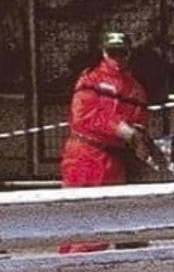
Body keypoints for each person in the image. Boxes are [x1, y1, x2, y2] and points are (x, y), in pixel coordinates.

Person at [60, 30, 153, 186]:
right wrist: (119, 128)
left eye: (122, 52)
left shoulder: (136, 88)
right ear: (104, 53)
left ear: (129, 53)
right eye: (112, 52)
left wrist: (139, 137)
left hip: (115, 160)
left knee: (113, 207)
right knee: (78, 208)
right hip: (85, 156)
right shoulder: (90, 79)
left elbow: (140, 119)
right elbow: (83, 117)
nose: (117, 58)